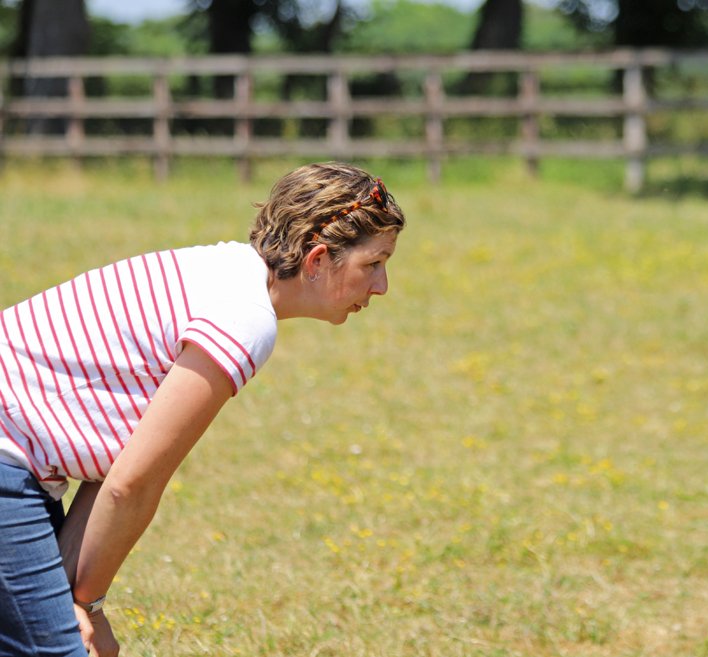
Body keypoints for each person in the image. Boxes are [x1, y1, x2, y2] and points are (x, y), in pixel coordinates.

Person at [0, 162, 406, 657]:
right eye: (374, 263)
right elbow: (133, 483)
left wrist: (79, 599)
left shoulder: (224, 271)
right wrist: (86, 606)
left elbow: (119, 468)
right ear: (318, 259)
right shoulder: (244, 318)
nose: (382, 286)